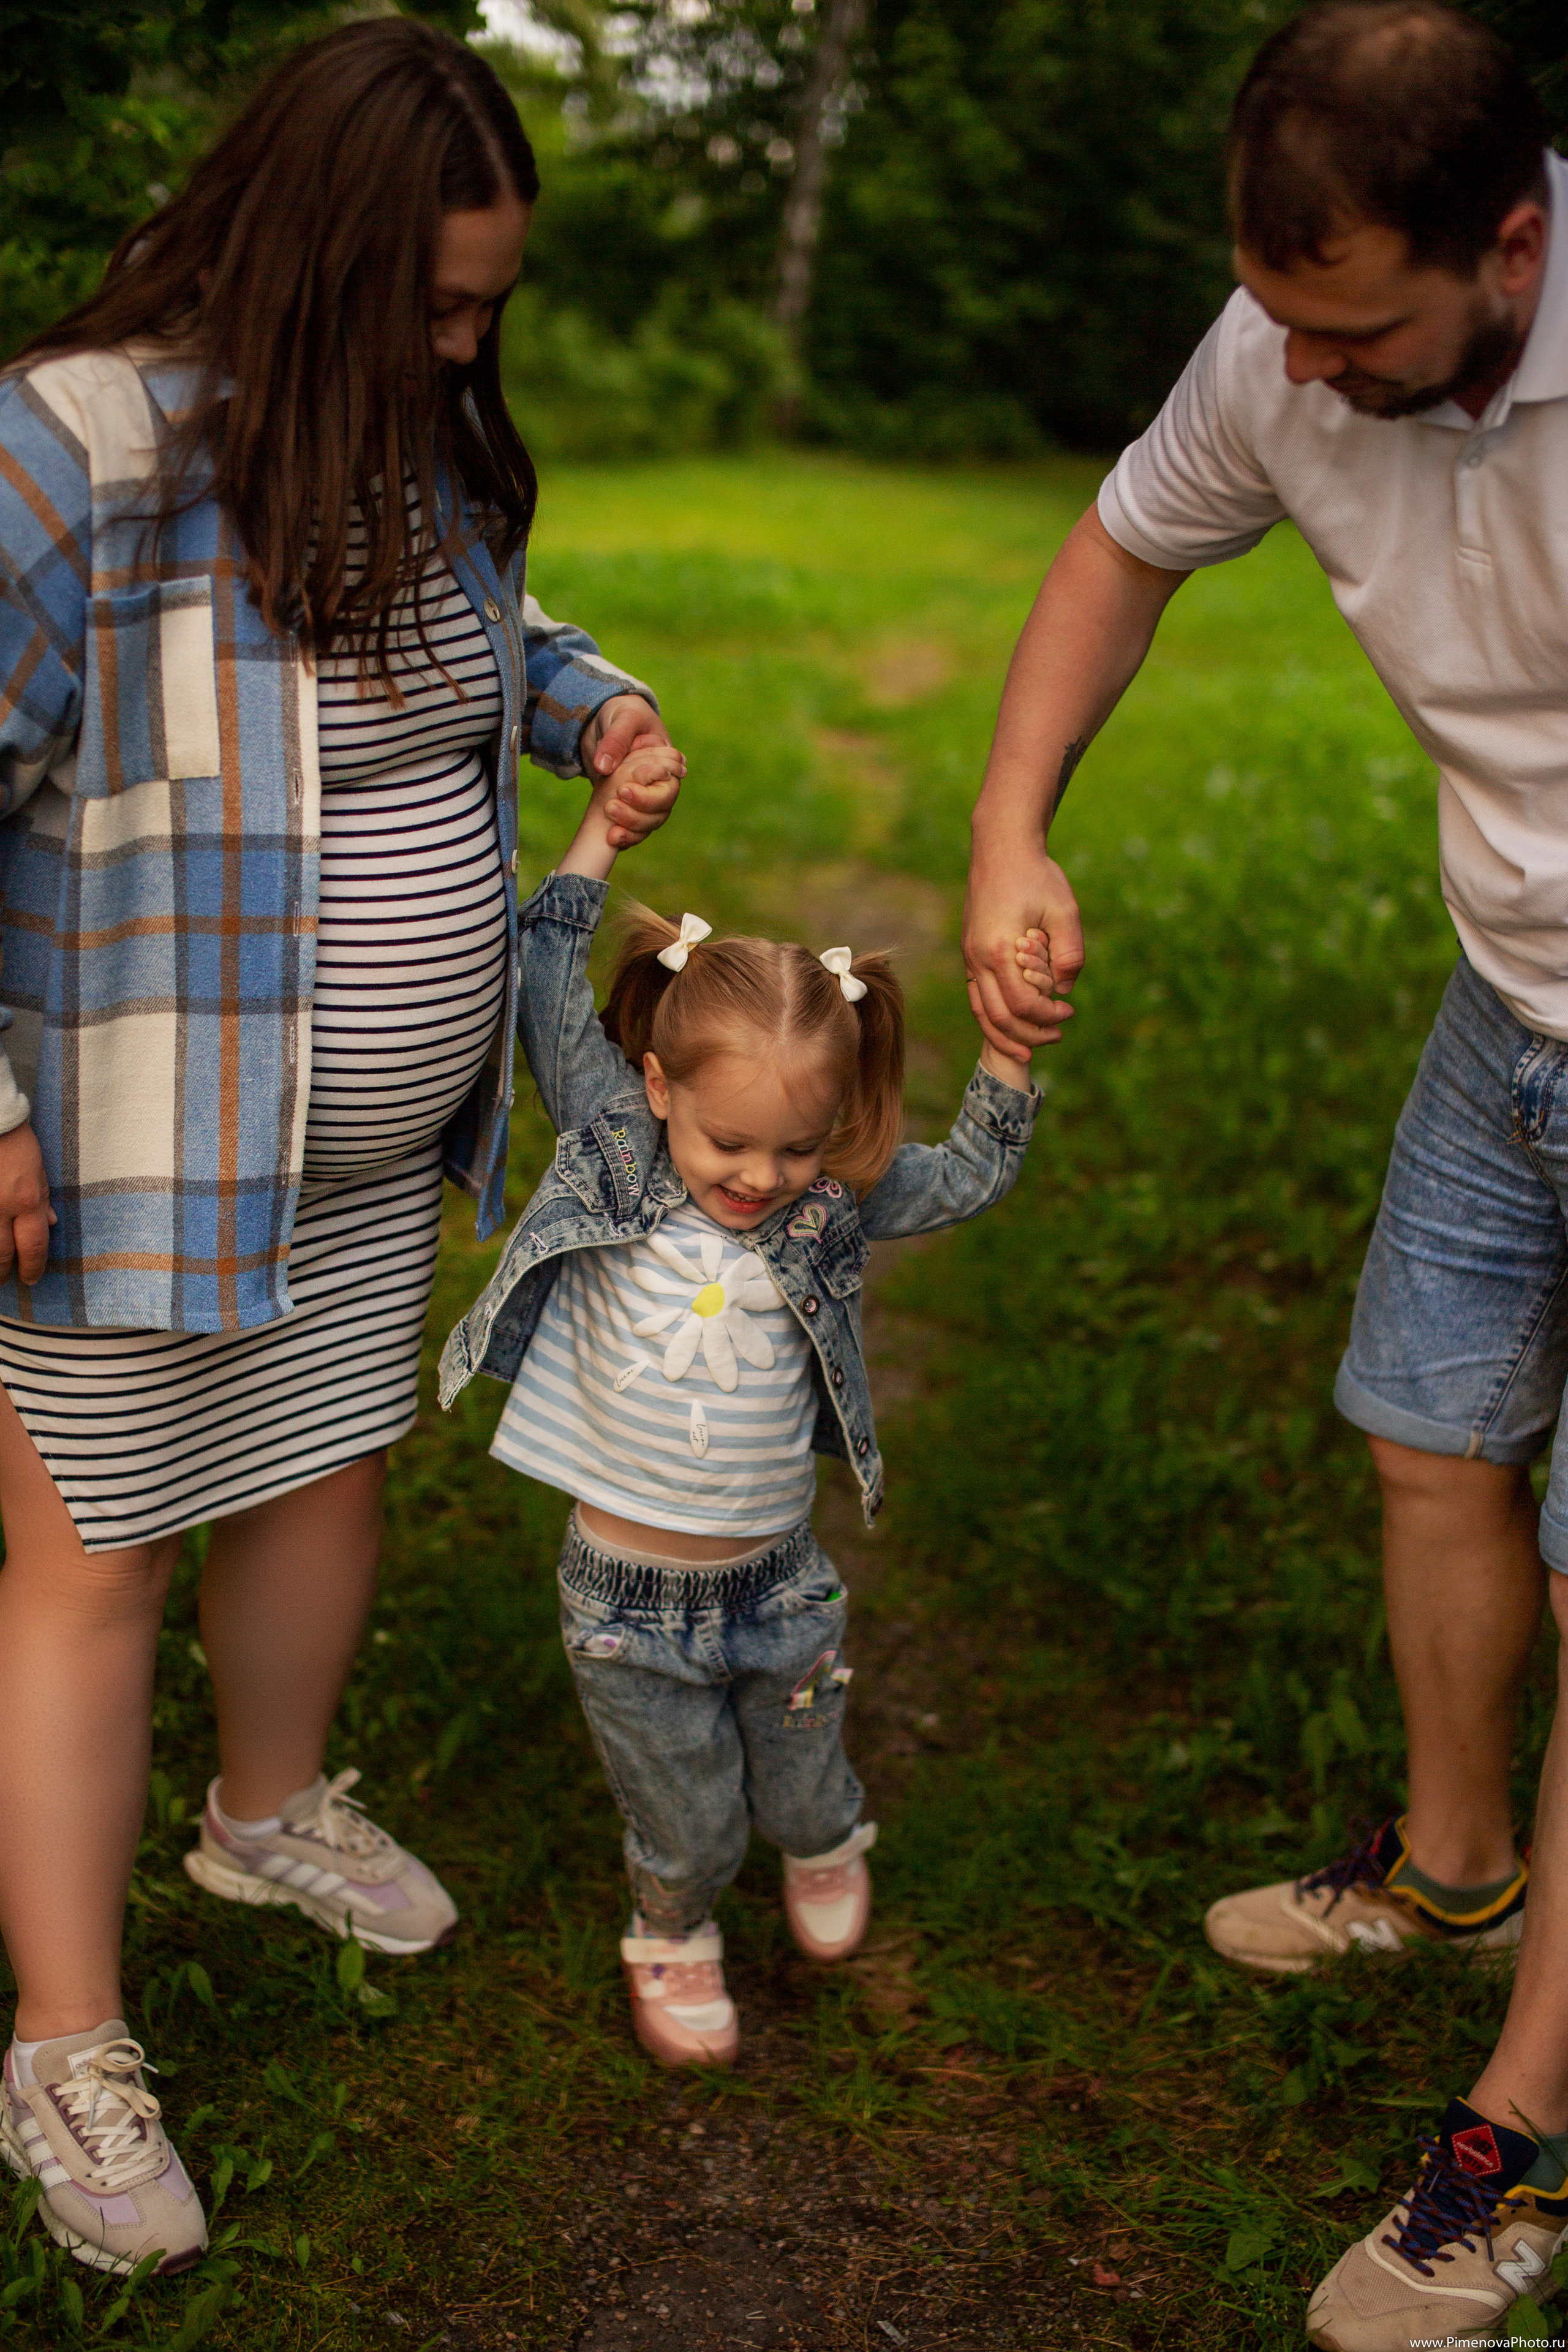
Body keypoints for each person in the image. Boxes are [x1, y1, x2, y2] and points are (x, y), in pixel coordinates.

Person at [0, 17, 682, 2281]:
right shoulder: (73, 449)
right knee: (93, 1562)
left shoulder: (410, 446)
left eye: (491, 306)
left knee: (321, 1473)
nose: (469, 345)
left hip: (368, 1165)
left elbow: (477, 638)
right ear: (312, 254)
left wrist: (585, 698)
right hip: (123, 1159)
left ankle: (264, 1811)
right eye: (440, 301)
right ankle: (65, 2041)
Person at [961, 2, 1568, 2343]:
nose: (1299, 377)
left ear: (1512, 249)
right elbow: (1122, 550)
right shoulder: (1286, 340)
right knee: (1430, 1437)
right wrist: (1013, 829)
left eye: (1354, 333)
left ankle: (1529, 2128)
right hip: (1508, 998)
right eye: (1276, 321)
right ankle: (1455, 1871)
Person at [439, 751, 1042, 2066]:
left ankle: (823, 1842)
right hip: (622, 1602)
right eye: (730, 1143)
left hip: (779, 1578)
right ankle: (672, 1932)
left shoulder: (833, 1195)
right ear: (659, 1087)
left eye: (797, 1147)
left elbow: (964, 1180)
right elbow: (543, 985)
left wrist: (1006, 1058)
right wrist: (597, 839)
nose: (762, 1176)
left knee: (804, 1767)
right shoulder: (613, 1140)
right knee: (686, 1814)